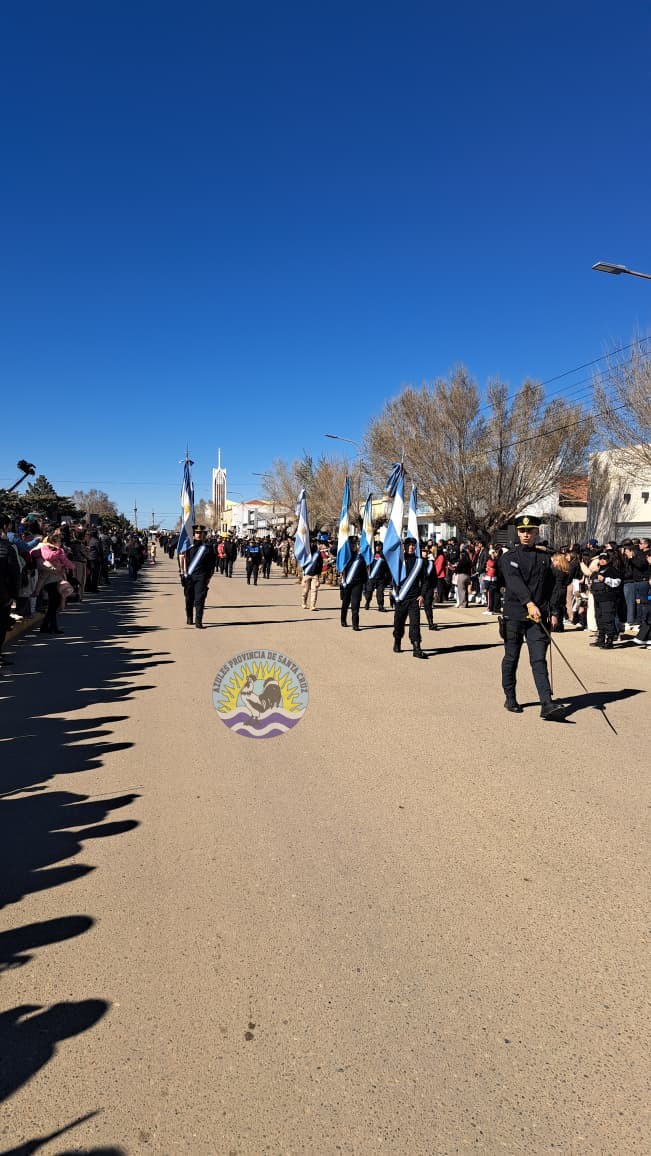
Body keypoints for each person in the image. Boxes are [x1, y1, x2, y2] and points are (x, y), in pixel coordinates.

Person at [499, 514, 564, 718]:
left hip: (538, 617)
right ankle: (510, 698)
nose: (526, 534)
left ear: (537, 532)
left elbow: (554, 586)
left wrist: (554, 612)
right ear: (518, 533)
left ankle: (547, 704)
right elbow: (514, 582)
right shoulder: (509, 557)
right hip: (515, 615)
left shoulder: (545, 558)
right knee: (512, 657)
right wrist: (528, 603)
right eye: (522, 531)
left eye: (530, 531)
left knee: (539, 660)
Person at [392, 536, 428, 658]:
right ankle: (397, 641)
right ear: (404, 546)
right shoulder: (399, 560)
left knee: (415, 623)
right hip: (401, 597)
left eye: (413, 545)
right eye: (409, 545)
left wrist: (422, 595)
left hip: (414, 597)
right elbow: (393, 578)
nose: (411, 547)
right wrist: (393, 595)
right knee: (399, 622)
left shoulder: (420, 562)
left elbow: (425, 581)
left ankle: (416, 648)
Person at [183, 525, 216, 628]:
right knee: (189, 598)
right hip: (189, 576)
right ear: (193, 534)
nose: (198, 535)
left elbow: (212, 564)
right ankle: (189, 617)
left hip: (201, 576)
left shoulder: (207, 548)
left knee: (199, 599)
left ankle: (198, 621)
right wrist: (182, 573)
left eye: (200, 533)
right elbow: (182, 560)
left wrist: (209, 576)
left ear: (203, 535)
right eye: (197, 533)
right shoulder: (188, 547)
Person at [590, 551, 622, 649]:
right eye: (601, 558)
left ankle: (610, 640)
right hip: (598, 598)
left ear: (608, 559)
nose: (602, 560)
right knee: (599, 618)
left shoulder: (612, 570)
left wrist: (604, 579)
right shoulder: (598, 571)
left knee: (607, 619)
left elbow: (617, 582)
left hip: (607, 598)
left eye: (604, 558)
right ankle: (601, 638)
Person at [339, 537, 368, 630]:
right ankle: (343, 620)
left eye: (355, 544)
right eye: (351, 544)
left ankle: (355, 624)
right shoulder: (344, 557)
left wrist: (366, 584)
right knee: (345, 603)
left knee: (355, 604)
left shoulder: (360, 557)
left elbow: (364, 572)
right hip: (347, 583)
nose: (353, 546)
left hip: (357, 584)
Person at [301, 538, 323, 610]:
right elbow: (301, 561)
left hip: (315, 574)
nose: (312, 544)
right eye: (311, 542)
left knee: (314, 590)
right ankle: (304, 602)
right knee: (305, 590)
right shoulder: (306, 552)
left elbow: (321, 563)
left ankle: (312, 605)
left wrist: (319, 573)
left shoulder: (318, 553)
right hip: (307, 573)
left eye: (314, 542)